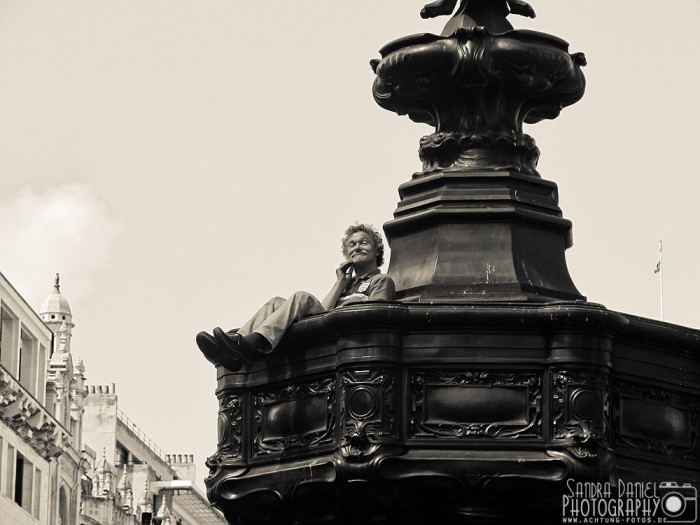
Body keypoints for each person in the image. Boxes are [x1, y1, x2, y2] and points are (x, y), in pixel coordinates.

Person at [196, 223, 396, 371]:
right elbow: (323, 312)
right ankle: (233, 347)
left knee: (302, 297)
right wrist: (339, 284)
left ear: (377, 250)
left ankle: (249, 345)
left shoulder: (381, 280)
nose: (357, 247)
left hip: (341, 342)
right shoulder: (345, 284)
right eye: (352, 245)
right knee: (275, 302)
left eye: (364, 243)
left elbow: (375, 317)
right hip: (324, 331)